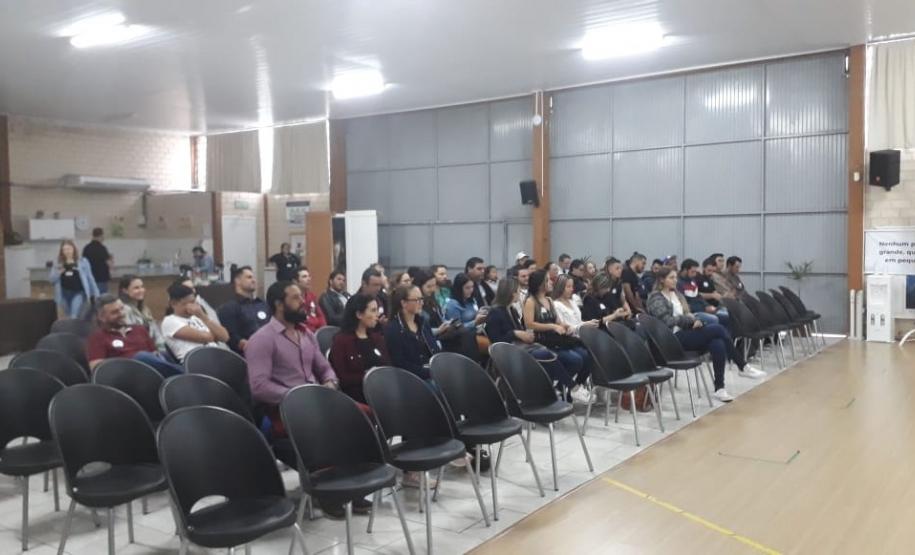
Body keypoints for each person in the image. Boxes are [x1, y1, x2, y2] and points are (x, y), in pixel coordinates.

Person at [646, 268, 764, 403]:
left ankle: (720, 388)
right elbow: (665, 322)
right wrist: (689, 320)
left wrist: (697, 321)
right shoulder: (656, 297)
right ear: (662, 280)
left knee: (717, 342)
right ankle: (742, 366)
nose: (675, 280)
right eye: (671, 278)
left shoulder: (678, 295)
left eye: (675, 277)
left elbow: (688, 315)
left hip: (684, 333)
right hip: (670, 340)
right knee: (718, 329)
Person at [245, 280, 339, 406]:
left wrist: (330, 383)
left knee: (364, 414)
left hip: (317, 401)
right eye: (295, 298)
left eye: (301, 296)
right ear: (279, 305)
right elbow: (260, 387)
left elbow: (325, 368)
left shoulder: (306, 334)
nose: (302, 301)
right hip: (288, 409)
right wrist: (297, 395)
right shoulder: (261, 339)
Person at [523, 269, 591, 403]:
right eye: (547, 280)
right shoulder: (531, 301)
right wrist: (553, 326)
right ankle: (567, 386)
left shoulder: (549, 300)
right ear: (540, 284)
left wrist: (563, 325)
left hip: (556, 339)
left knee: (585, 355)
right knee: (575, 359)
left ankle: (563, 386)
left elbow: (557, 320)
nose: (551, 282)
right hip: (541, 342)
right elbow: (529, 324)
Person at [487, 277, 572, 383]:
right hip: (507, 354)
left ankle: (555, 387)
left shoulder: (511, 310)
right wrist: (515, 333)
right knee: (546, 354)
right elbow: (496, 341)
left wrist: (525, 335)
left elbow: (519, 332)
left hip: (518, 348)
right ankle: (569, 386)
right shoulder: (495, 313)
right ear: (512, 294)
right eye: (518, 291)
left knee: (550, 355)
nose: (520, 294)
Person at [86, 295, 184, 377]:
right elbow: (96, 367)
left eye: (122, 309)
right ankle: (186, 375)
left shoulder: (139, 329)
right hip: (127, 376)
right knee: (141, 356)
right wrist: (128, 361)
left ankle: (184, 376)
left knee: (163, 354)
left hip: (152, 373)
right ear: (101, 317)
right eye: (115, 312)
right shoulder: (98, 337)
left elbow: (154, 354)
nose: (122, 314)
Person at [330, 293, 390, 404]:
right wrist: (369, 376)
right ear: (359, 314)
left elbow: (387, 366)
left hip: (381, 390)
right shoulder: (341, 341)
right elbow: (342, 378)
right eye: (373, 310)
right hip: (356, 396)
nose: (377, 315)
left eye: (377, 310)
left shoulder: (377, 338)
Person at [161, 283, 229, 363]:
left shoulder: (198, 317)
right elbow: (206, 338)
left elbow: (225, 337)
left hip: (214, 356)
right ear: (173, 303)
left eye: (194, 302)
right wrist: (215, 333)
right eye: (187, 303)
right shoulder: (170, 321)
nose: (193, 306)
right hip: (194, 362)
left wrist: (203, 317)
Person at [384, 284, 441, 380]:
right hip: (412, 380)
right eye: (417, 300)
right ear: (404, 303)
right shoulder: (393, 330)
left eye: (421, 299)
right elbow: (400, 364)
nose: (421, 303)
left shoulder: (423, 324)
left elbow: (435, 349)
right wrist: (430, 372)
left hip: (432, 372)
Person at [217, 266, 271, 354]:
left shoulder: (263, 304)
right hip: (248, 354)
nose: (254, 280)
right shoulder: (229, 308)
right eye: (249, 277)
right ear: (237, 281)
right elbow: (231, 337)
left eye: (254, 277)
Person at [50, 239, 99, 319]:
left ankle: (74, 328)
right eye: (64, 250)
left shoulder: (82, 261)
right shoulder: (58, 264)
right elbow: (52, 280)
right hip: (63, 294)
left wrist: (96, 294)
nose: (67, 251)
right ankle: (73, 328)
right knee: (68, 315)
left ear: (73, 249)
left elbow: (90, 278)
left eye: (69, 249)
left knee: (74, 315)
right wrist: (59, 272)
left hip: (78, 292)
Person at [445, 273, 491, 357]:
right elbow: (456, 329)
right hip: (461, 340)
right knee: (491, 346)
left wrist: (479, 313)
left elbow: (472, 315)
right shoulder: (453, 304)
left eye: (472, 287)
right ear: (459, 288)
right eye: (467, 288)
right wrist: (475, 322)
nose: (471, 290)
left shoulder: (470, 300)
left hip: (475, 334)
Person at [118, 275, 166, 351]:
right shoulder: (124, 310)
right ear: (125, 290)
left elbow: (156, 331)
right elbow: (131, 336)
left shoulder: (145, 309)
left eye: (142, 287)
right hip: (138, 350)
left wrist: (162, 348)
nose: (141, 290)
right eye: (136, 288)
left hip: (154, 348)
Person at [678, 259, 729, 327]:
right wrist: (704, 308)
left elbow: (698, 296)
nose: (695, 274)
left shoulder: (692, 281)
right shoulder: (678, 284)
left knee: (728, 313)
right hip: (692, 312)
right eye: (692, 272)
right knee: (716, 318)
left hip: (703, 308)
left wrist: (707, 305)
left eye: (696, 272)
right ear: (685, 270)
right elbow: (685, 303)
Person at [294, 267, 327, 333]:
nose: (309, 279)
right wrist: (313, 322)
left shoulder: (312, 296)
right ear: (295, 281)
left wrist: (322, 331)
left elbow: (320, 316)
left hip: (316, 333)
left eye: (309, 276)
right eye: (304, 277)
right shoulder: (293, 298)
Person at [82, 227, 112, 294]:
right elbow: (109, 264)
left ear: (92, 235)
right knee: (102, 298)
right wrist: (111, 259)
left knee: (92, 298)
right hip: (101, 278)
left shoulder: (86, 248)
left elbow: (83, 263)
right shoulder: (102, 248)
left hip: (90, 278)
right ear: (101, 236)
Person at [358, 267, 388, 331]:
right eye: (375, 285)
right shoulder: (355, 302)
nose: (378, 288)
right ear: (364, 284)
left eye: (380, 285)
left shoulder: (381, 299)